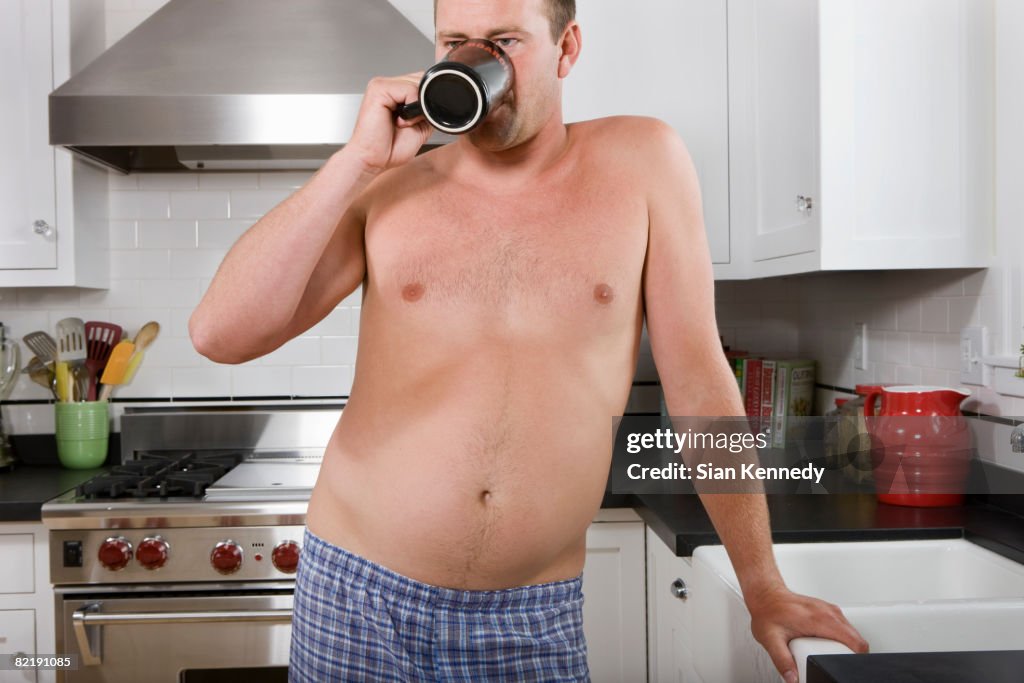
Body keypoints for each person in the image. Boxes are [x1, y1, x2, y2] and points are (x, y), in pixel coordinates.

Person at [189, 0, 869, 680]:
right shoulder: (389, 185)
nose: (479, 62)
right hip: (359, 597)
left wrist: (762, 583)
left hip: (530, 618)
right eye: (456, 42)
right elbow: (220, 333)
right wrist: (355, 163)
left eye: (505, 41)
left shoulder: (643, 163)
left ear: (567, 48)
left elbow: (698, 377)